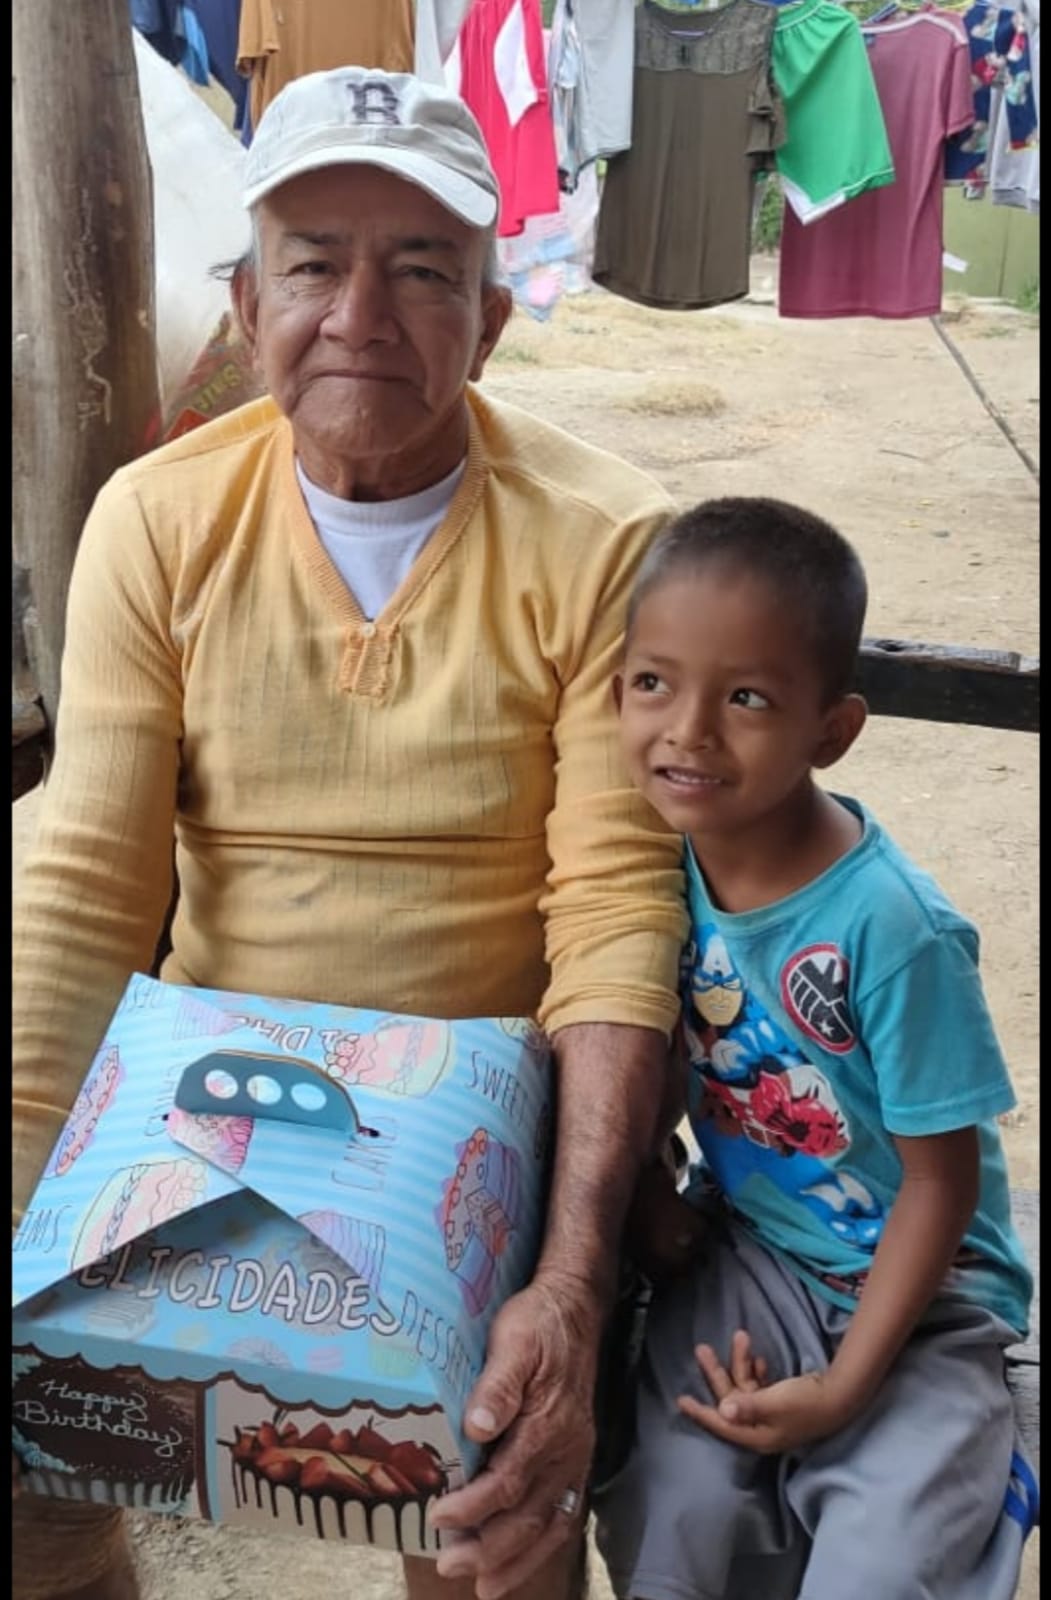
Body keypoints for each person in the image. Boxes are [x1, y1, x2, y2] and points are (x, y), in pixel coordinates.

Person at [11, 67, 689, 1600]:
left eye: (422, 272)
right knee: (28, 1492)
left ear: (492, 322)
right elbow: (86, 889)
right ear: (248, 308)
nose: (359, 317)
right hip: (205, 1122)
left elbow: (610, 915)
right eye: (314, 266)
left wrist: (570, 1285)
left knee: (495, 1511)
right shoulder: (156, 520)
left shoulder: (603, 540)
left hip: (482, 1147)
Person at [594, 496, 1038, 1600]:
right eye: (654, 683)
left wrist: (842, 1389)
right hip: (751, 1254)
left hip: (927, 1296)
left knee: (881, 1567)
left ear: (831, 732)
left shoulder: (891, 930)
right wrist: (653, 1197)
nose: (688, 731)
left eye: (745, 697)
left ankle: (986, 1457)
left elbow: (942, 1184)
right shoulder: (649, 867)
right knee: (673, 1515)